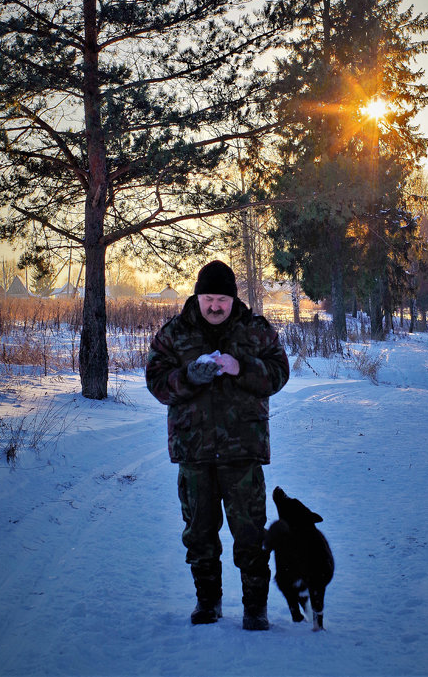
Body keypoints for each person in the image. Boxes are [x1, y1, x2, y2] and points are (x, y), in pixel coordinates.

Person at [146, 260, 289, 630]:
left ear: (232, 299)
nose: (214, 306)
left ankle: (255, 608)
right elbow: (157, 381)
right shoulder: (174, 334)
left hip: (243, 451)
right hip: (194, 452)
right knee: (199, 534)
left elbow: (279, 372)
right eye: (208, 298)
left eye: (222, 300)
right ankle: (207, 603)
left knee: (251, 536)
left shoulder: (255, 331)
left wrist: (241, 367)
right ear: (198, 297)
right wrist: (188, 376)